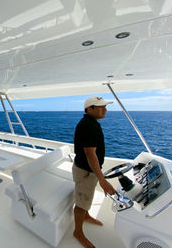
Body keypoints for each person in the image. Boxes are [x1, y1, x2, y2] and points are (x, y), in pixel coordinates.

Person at [72, 96, 116, 248]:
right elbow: (91, 154)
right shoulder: (89, 125)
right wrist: (102, 180)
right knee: (81, 203)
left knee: (87, 198)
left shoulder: (89, 123)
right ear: (89, 109)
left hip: (85, 169)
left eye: (105, 106)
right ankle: (77, 232)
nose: (105, 109)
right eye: (100, 106)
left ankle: (86, 216)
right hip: (85, 172)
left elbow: (75, 138)